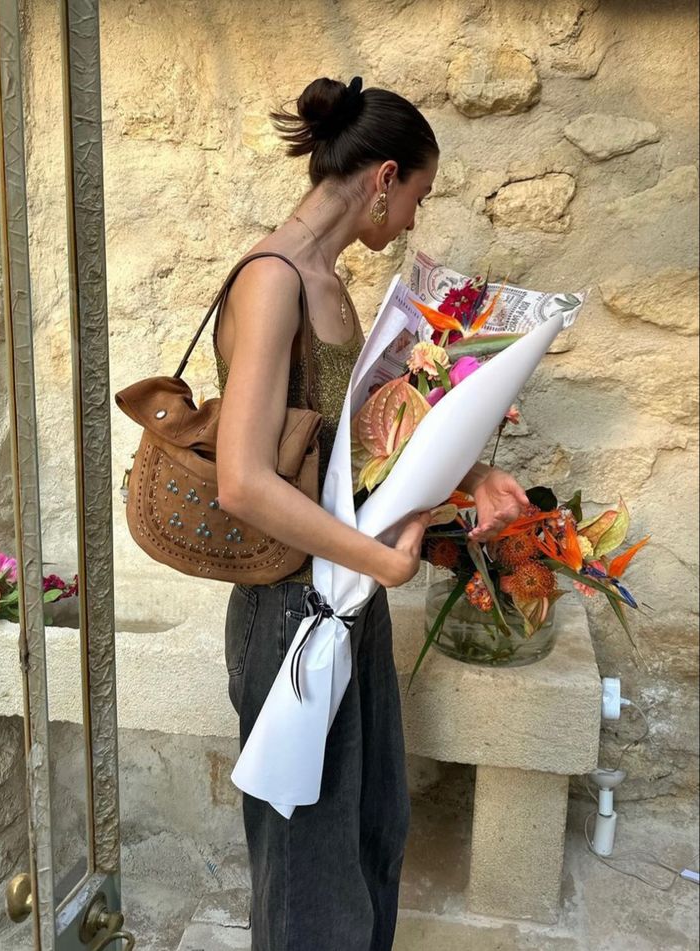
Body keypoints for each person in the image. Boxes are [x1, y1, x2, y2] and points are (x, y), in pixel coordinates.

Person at [214, 76, 529, 951]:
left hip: (344, 598)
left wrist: (474, 476)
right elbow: (242, 480)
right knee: (309, 880)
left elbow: (361, 441)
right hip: (291, 611)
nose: (414, 221)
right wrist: (382, 558)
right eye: (419, 196)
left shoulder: (329, 282)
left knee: (369, 836)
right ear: (384, 176)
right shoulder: (273, 279)